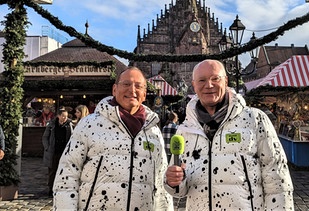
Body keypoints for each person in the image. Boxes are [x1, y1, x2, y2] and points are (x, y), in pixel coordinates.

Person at [164, 59, 294, 210]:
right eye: (202, 80)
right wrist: (173, 182)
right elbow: (180, 191)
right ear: (194, 85)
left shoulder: (254, 119)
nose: (209, 85)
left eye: (215, 78)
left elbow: (277, 180)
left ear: (226, 81)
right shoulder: (185, 130)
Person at [53, 67, 173, 210]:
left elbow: (160, 183)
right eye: (126, 84)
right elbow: (67, 174)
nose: (132, 90)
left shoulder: (153, 131)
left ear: (144, 94)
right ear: (114, 89)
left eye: (138, 86)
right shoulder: (89, 124)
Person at [42, 108, 73, 196]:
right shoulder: (52, 125)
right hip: (53, 151)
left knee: (64, 171)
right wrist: (47, 147)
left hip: (64, 152)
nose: (65, 118)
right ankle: (51, 189)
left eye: (66, 116)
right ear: (58, 116)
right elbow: (45, 137)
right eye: (63, 116)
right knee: (52, 171)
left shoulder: (69, 125)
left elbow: (72, 136)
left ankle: (62, 188)